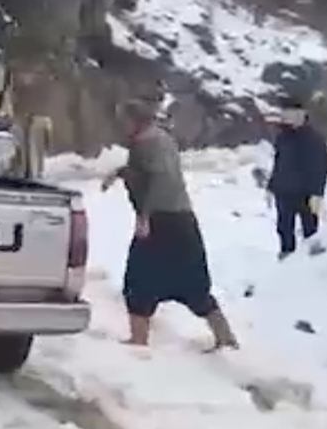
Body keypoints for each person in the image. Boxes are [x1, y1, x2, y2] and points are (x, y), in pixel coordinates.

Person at [101, 99, 238, 351]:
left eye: (124, 120)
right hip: (181, 220)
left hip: (162, 220)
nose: (121, 125)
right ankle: (226, 338)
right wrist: (120, 173)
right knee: (193, 284)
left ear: (136, 120)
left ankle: (139, 341)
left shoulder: (150, 143)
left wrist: (145, 216)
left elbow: (160, 179)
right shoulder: (157, 139)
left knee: (139, 281)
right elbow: (145, 172)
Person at [266, 96, 327, 260]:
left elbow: (321, 167)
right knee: (284, 228)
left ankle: (312, 261)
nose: (288, 117)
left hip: (306, 193)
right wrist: (271, 186)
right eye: (285, 113)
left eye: (292, 113)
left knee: (310, 230)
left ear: (302, 114)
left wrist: (317, 193)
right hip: (283, 191)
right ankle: (286, 257)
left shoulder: (314, 138)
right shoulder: (282, 137)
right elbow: (279, 163)